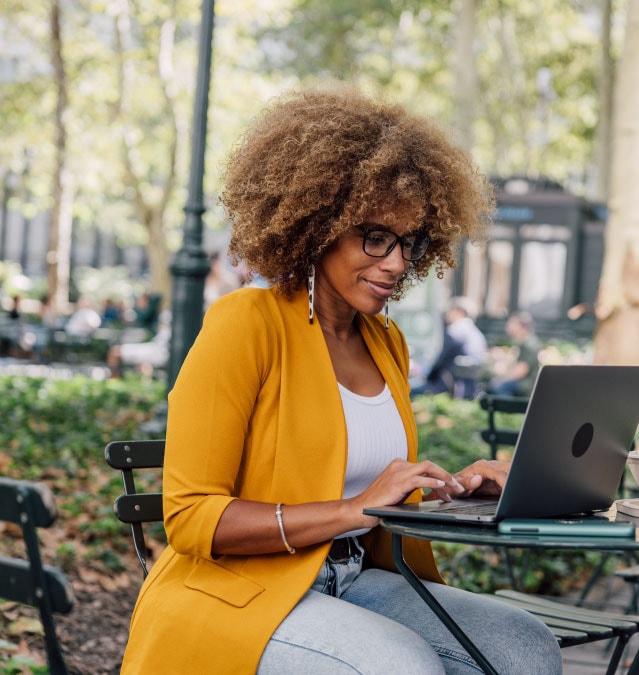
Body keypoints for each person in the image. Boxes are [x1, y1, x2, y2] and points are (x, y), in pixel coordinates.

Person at [119, 87, 562, 674]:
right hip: (234, 593)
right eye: (375, 237)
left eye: (409, 243)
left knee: (524, 647)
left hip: (354, 578)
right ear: (318, 224)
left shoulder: (386, 342)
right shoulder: (244, 324)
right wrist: (352, 510)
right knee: (398, 666)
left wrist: (455, 491)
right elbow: (193, 518)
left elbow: (368, 490)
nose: (397, 264)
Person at [411, 296, 488, 398]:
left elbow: (441, 361)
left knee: (409, 389)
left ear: (458, 311)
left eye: (449, 311)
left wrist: (427, 376)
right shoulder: (477, 334)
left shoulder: (455, 331)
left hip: (449, 386)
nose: (446, 314)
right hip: (469, 387)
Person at [488, 310, 541, 397]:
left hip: (525, 385)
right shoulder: (521, 343)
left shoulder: (530, 344)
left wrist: (500, 378)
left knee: (498, 387)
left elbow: (521, 371)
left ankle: (506, 409)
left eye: (512, 323)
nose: (508, 326)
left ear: (522, 326)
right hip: (519, 382)